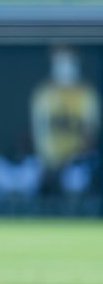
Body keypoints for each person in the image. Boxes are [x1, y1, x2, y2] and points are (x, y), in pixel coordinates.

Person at [30, 46, 100, 196]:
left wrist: (67, 161)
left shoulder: (86, 94)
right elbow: (37, 132)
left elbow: (90, 137)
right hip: (47, 162)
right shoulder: (44, 93)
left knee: (75, 179)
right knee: (31, 174)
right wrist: (49, 163)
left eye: (69, 61)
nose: (65, 66)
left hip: (77, 161)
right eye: (60, 61)